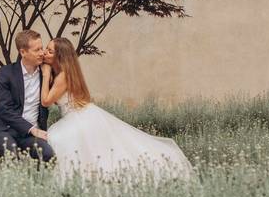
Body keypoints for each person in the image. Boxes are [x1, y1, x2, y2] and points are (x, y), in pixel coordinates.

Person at [43, 37, 193, 182]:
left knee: (59, 139)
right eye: (46, 49)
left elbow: (45, 101)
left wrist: (46, 74)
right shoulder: (62, 74)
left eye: (50, 51)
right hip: (83, 115)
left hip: (79, 118)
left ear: (60, 57)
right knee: (90, 151)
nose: (44, 52)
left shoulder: (62, 76)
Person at [0, 29, 55, 162]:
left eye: (42, 48)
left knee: (48, 154)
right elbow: (5, 110)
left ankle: (38, 183)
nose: (42, 53)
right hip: (3, 130)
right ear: (23, 52)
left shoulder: (45, 74)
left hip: (30, 137)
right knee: (10, 154)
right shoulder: (5, 74)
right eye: (37, 50)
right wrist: (32, 130)